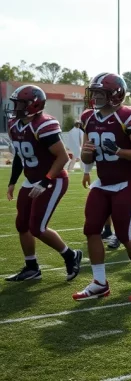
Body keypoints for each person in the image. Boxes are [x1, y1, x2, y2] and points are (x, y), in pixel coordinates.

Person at [73, 73, 131, 301]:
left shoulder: (128, 116)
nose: (95, 97)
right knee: (91, 229)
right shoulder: (89, 117)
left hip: (127, 182)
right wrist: (86, 153)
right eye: (94, 92)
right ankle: (99, 282)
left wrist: (118, 151)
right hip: (103, 182)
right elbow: (86, 158)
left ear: (115, 95)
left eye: (100, 93)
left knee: (124, 234)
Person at [5, 85, 82, 282]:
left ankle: (70, 255)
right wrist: (13, 181)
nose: (16, 107)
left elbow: (63, 156)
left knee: (37, 227)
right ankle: (32, 267)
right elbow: (19, 156)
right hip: (32, 180)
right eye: (16, 103)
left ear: (34, 104)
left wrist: (45, 181)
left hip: (53, 179)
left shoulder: (43, 125)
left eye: (21, 104)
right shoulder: (14, 124)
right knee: (22, 224)